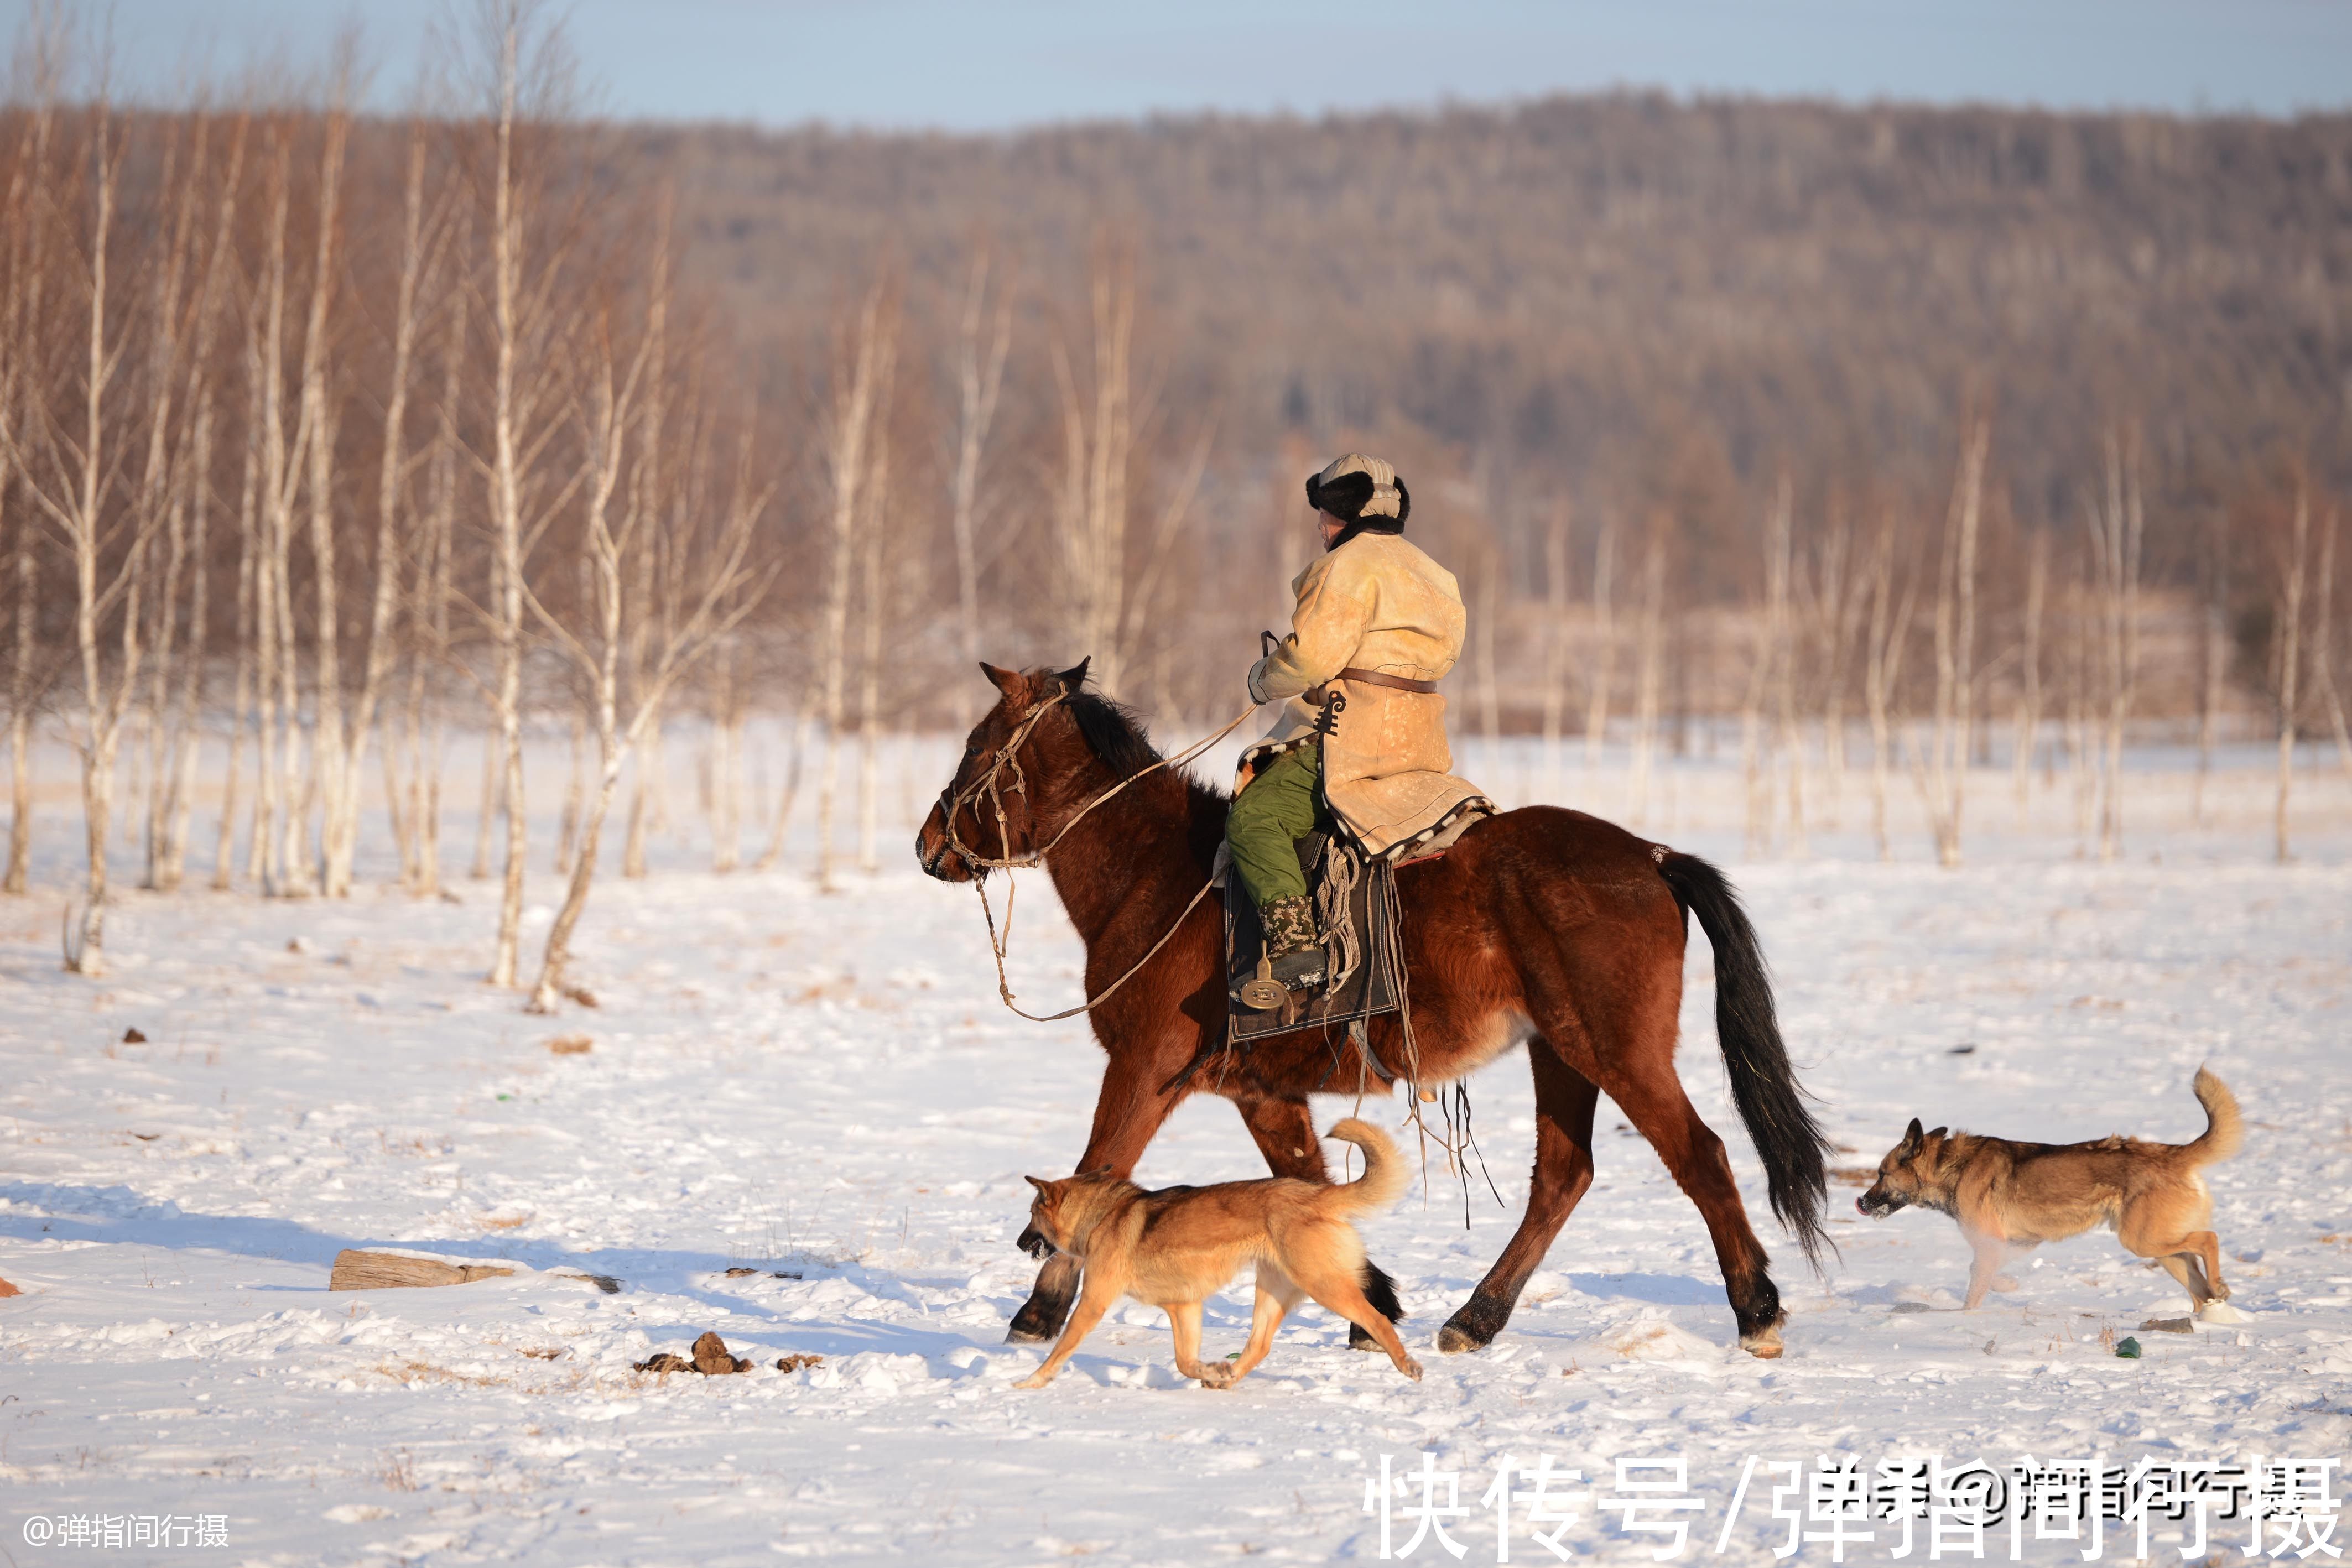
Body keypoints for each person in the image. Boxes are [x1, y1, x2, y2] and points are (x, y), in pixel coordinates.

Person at [1230, 453, 1485, 996]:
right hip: (1420, 744)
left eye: (1322, 513)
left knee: (1253, 819)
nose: (1319, 527)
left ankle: (1296, 949)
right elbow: (1447, 655)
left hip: (1350, 739)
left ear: (1342, 513)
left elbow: (1311, 660)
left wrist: (1262, 681)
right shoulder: (1433, 571)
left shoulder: (1343, 567)